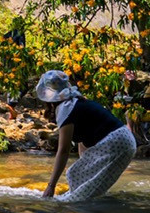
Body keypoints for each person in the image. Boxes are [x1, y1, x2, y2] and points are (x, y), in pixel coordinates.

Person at [36, 70, 137, 202]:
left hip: (117, 143)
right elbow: (82, 139)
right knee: (75, 174)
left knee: (81, 198)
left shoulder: (65, 109)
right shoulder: (75, 102)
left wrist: (51, 186)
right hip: (123, 139)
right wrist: (84, 161)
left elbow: (63, 151)